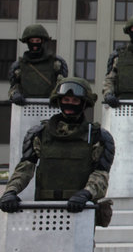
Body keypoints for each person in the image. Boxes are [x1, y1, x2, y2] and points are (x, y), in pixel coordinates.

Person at [1, 77, 115, 213]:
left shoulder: (98, 136)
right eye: (66, 100)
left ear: (84, 103)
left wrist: (86, 194)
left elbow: (101, 174)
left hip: (81, 210)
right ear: (59, 101)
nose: (70, 104)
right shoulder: (40, 134)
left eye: (75, 100)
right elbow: (25, 168)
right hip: (45, 208)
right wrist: (10, 191)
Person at [8, 24, 68, 105]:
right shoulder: (18, 66)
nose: (34, 44)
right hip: (26, 107)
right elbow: (14, 87)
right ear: (27, 42)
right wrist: (15, 94)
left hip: (50, 107)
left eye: (37, 41)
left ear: (42, 41)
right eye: (32, 41)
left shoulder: (56, 63)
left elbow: (62, 84)